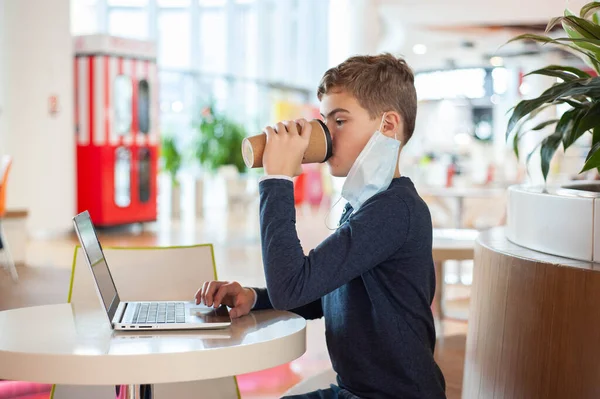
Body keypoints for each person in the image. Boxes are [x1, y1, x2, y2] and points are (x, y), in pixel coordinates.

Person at [195, 53, 446, 399]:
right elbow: (321, 291)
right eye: (324, 122)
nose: (326, 136)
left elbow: (291, 287)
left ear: (388, 125)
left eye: (339, 121)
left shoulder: (395, 209)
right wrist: (254, 298)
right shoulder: (367, 205)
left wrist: (278, 180)